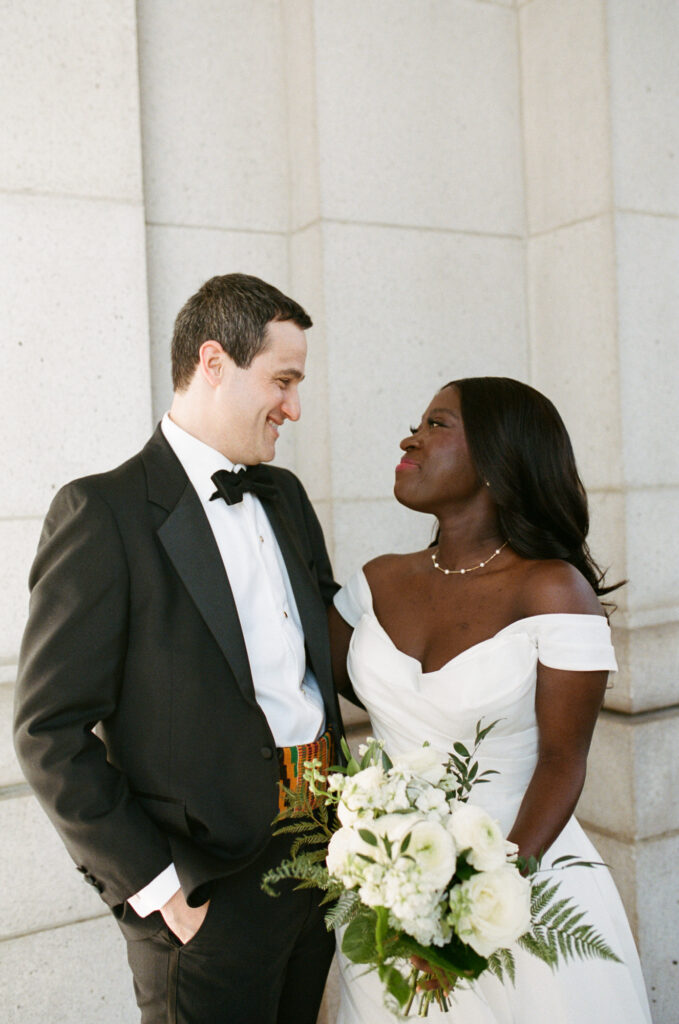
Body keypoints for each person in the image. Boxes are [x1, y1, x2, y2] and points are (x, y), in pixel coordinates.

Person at [14, 273, 344, 1024]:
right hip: (205, 893)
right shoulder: (102, 512)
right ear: (213, 361)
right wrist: (159, 887)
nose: (293, 406)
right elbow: (47, 731)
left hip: (321, 863)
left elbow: (319, 661)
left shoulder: (285, 496)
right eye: (283, 380)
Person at [328, 377, 652, 1023]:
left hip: (520, 894)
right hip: (392, 898)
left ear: (497, 459)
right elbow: (318, 676)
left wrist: (473, 908)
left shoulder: (553, 590)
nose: (409, 437)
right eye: (417, 422)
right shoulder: (375, 580)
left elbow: (564, 762)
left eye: (437, 425)